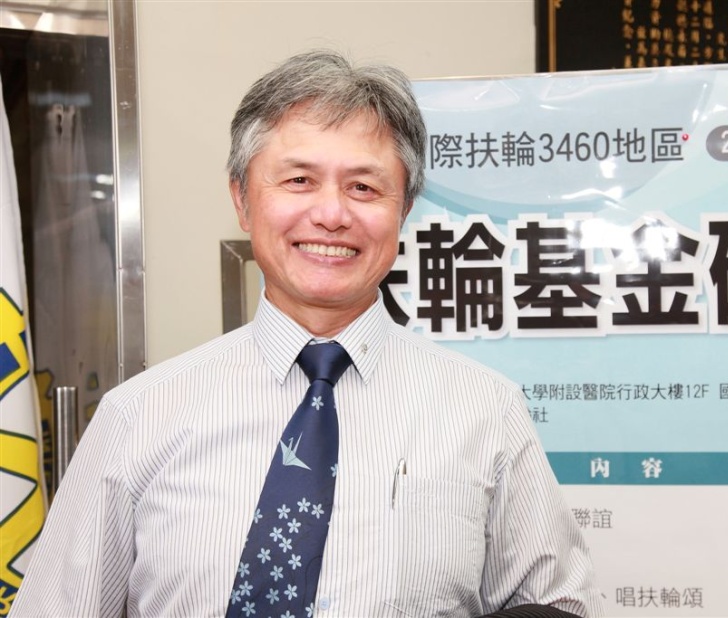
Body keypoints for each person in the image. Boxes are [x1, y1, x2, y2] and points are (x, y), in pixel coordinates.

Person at [12, 50, 602, 618]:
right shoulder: (139, 416)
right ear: (242, 198)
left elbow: (559, 605)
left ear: (404, 210)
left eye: (364, 187)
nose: (332, 214)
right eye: (298, 180)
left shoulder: (485, 409)